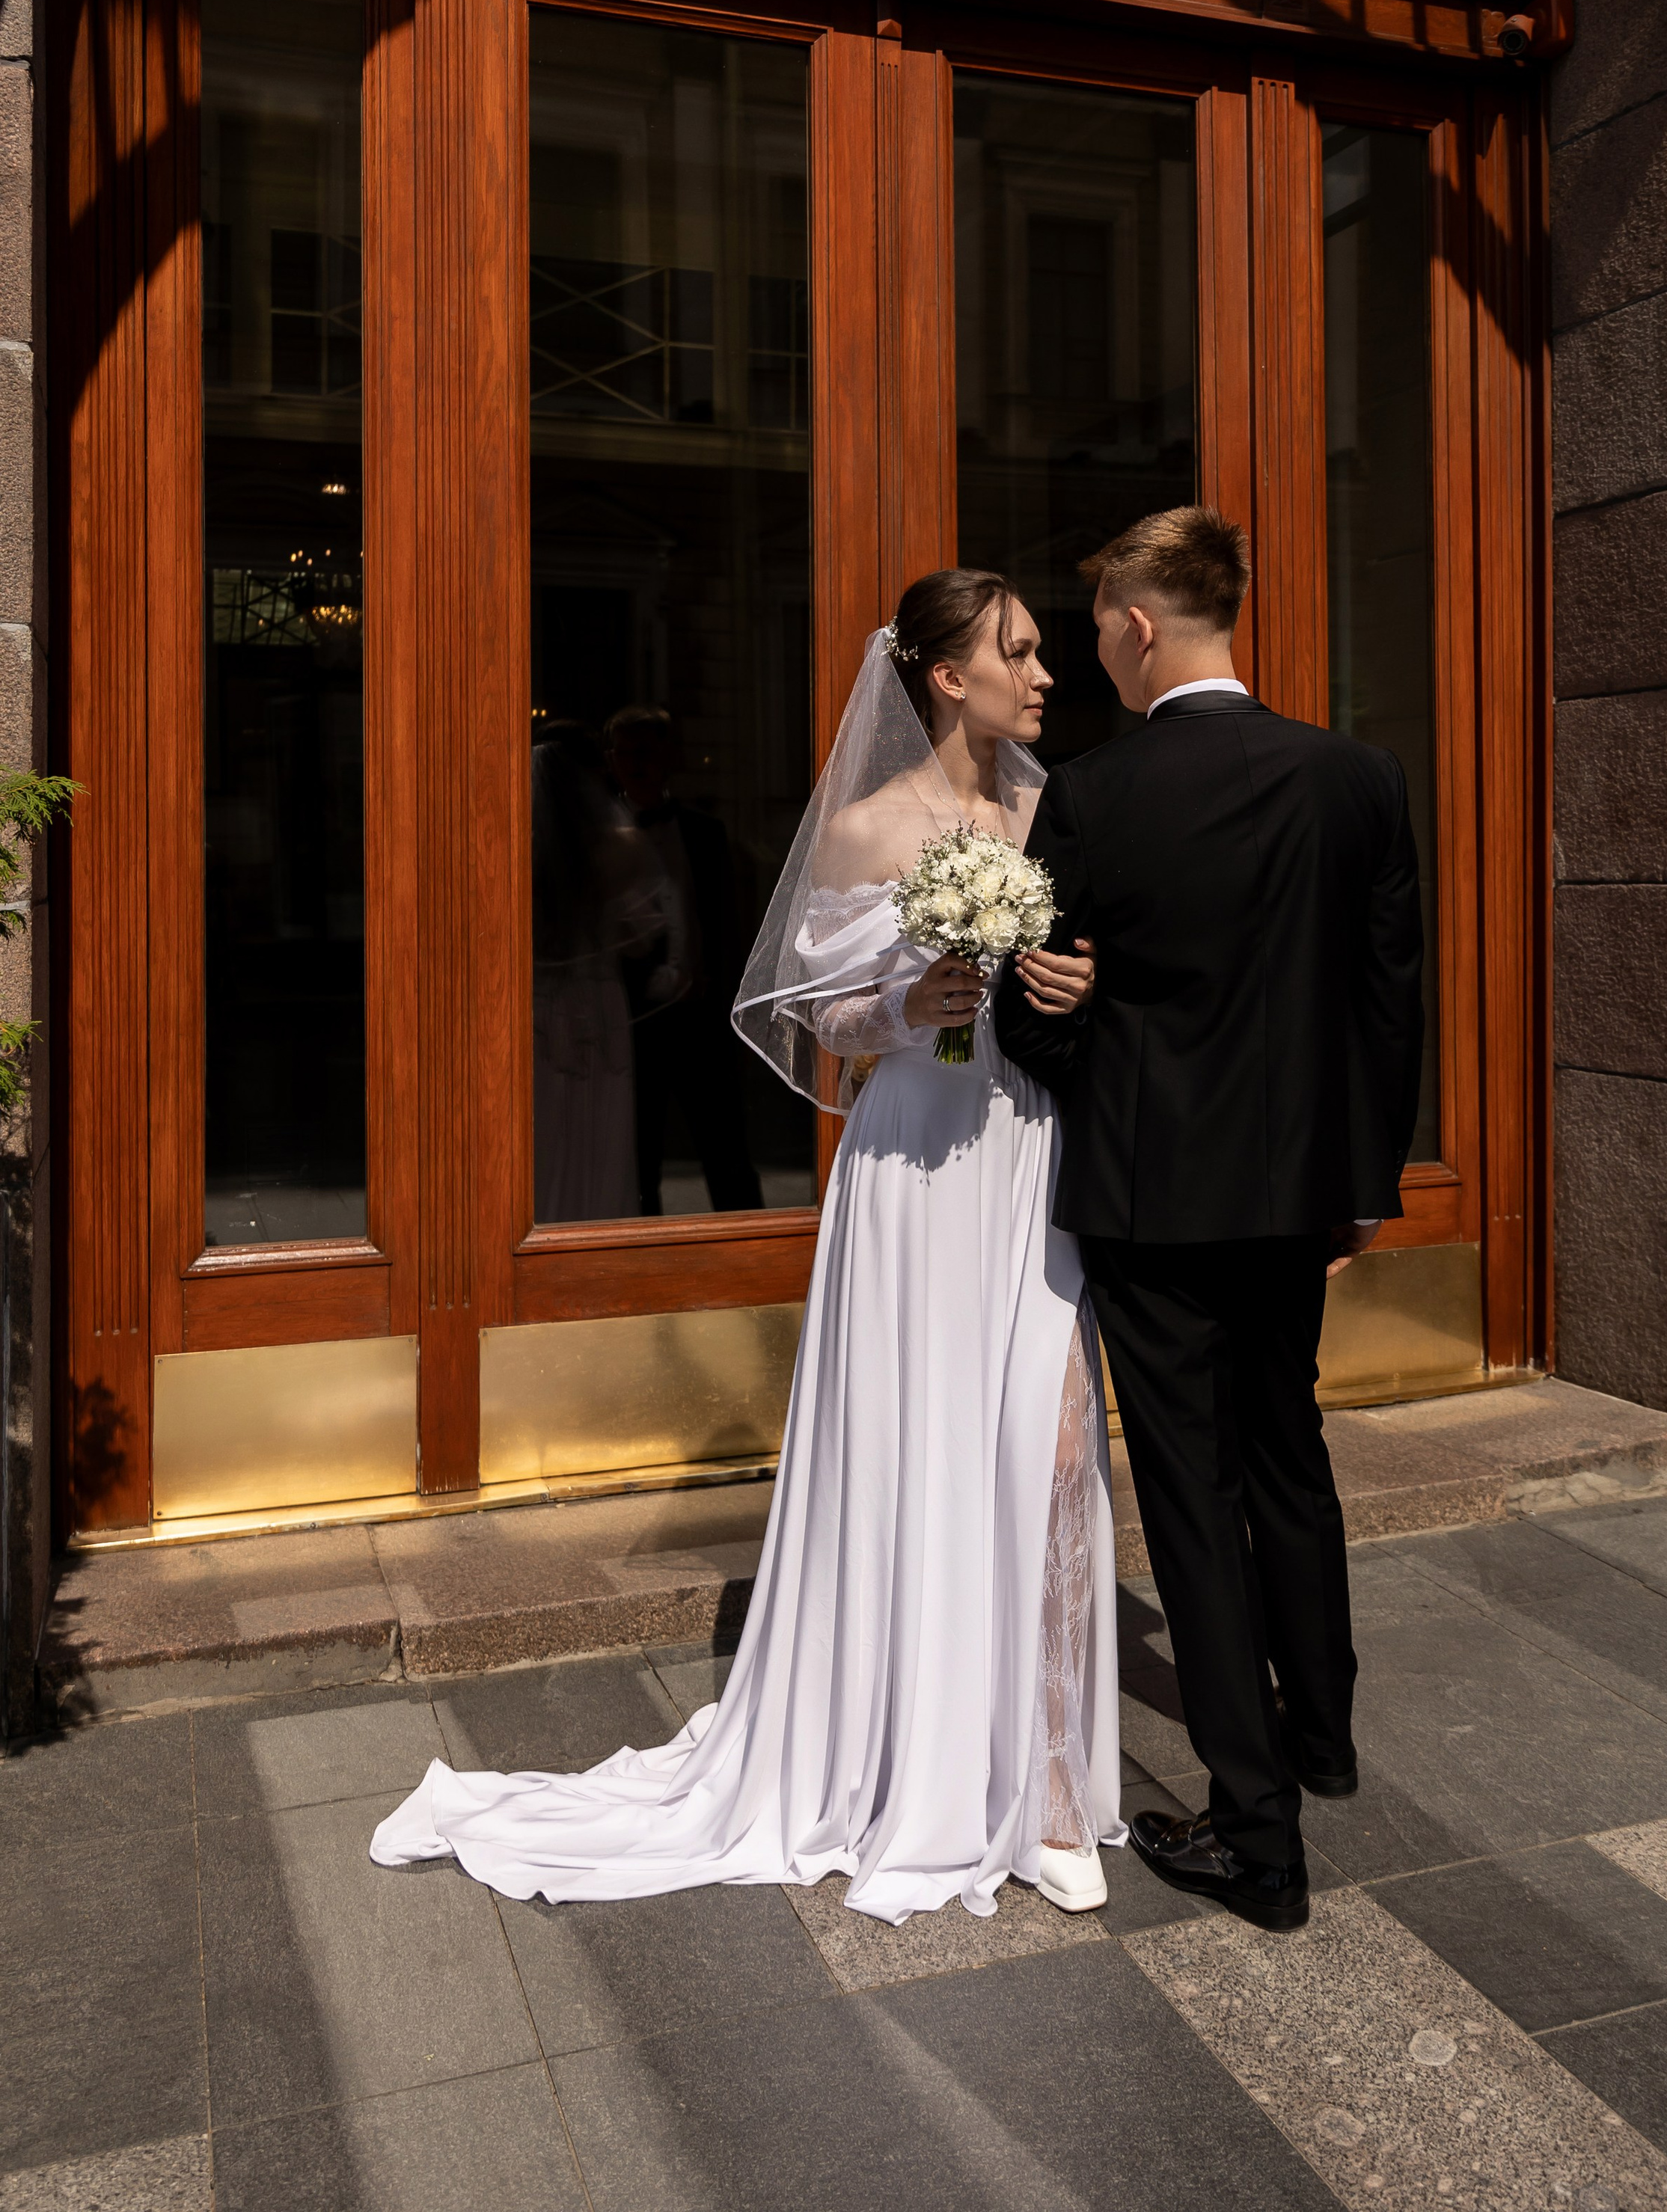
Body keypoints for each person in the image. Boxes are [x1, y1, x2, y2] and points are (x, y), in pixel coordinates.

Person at [371, 572, 1117, 1924]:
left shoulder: (1053, 805)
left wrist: (1068, 979)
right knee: (916, 1447)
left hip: (1030, 1144)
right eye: (1019, 650)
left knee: (1056, 1450)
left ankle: (1054, 1780)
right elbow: (812, 1012)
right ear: (947, 676)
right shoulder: (866, 823)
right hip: (915, 1162)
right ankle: (903, 1752)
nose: (1044, 671)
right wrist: (907, 993)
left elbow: (1099, 957)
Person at [997, 503, 1424, 1934]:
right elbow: (1386, 1003)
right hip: (1299, 1189)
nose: (1093, 654)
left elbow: (1043, 1011)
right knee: (1288, 1454)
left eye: (1098, 627)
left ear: (1136, 623)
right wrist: (1366, 1185)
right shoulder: (1357, 777)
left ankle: (1261, 1839)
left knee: (1195, 1491)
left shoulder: (1097, 797)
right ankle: (1323, 1742)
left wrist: (1048, 1005)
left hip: (1151, 1198)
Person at [605, 705, 765, 1216]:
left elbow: (726, 922)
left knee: (726, 1149)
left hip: (702, 1018)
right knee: (637, 1153)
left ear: (669, 758)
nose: (637, 763)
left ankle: (751, 1251)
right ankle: (640, 1258)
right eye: (626, 753)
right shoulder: (598, 837)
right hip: (633, 1023)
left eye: (647, 752)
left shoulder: (706, 832)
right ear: (611, 761)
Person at [530, 724, 687, 1224]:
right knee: (599, 1131)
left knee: (545, 1130)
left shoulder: (519, 847)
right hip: (598, 1001)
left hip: (537, 1004)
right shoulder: (620, 843)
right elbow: (643, 938)